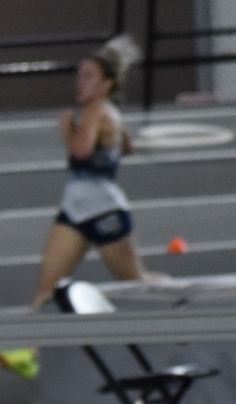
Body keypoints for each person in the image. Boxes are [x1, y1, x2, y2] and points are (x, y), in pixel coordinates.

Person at [29, 36, 148, 310]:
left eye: (89, 77)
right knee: (47, 288)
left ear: (107, 85)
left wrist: (67, 129)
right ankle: (29, 351)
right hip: (75, 211)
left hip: (104, 212)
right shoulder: (107, 113)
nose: (80, 83)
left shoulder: (97, 113)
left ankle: (180, 307)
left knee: (138, 283)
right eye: (80, 76)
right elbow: (127, 147)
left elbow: (80, 152)